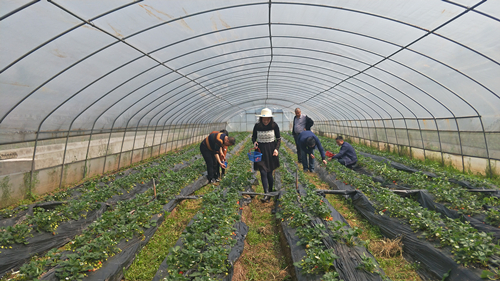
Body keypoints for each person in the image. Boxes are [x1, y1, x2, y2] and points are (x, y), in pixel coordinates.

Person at [252, 108, 280, 202]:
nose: (266, 121)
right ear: (261, 119)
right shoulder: (257, 126)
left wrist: (276, 149)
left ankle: (270, 192)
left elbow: (279, 139)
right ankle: (266, 193)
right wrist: (254, 143)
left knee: (269, 173)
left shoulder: (274, 126)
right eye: (264, 119)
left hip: (271, 150)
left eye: (268, 119)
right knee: (263, 172)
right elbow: (253, 137)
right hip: (260, 151)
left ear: (270, 119)